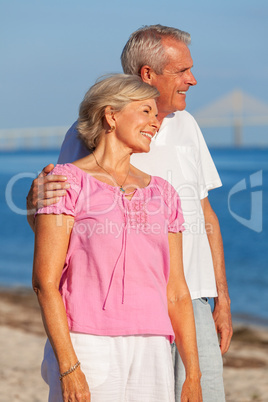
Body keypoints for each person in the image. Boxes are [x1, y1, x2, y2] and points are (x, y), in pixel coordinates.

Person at [27, 25, 232, 401]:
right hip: (96, 329)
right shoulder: (76, 152)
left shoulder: (181, 144)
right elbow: (54, 254)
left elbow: (201, 227)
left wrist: (222, 300)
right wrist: (35, 202)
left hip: (173, 315)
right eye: (182, 71)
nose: (193, 79)